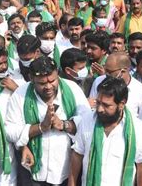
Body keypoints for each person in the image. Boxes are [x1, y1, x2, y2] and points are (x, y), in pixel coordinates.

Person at [5, 56, 90, 185]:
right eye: (42, 83)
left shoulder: (72, 89)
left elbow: (87, 124)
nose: (49, 87)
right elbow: (10, 130)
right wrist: (41, 128)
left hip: (67, 172)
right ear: (32, 78)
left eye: (52, 81)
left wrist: (63, 124)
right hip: (35, 173)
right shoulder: (20, 94)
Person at [69, 76, 142, 186]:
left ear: (121, 104)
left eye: (106, 105)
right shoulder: (87, 120)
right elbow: (77, 155)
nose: (99, 109)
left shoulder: (137, 128)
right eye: (98, 102)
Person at [89, 52, 142, 117]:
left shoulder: (141, 91)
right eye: (105, 70)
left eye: (109, 72)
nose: (105, 74)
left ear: (123, 71)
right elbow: (92, 107)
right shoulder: (98, 81)